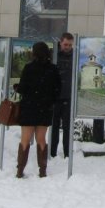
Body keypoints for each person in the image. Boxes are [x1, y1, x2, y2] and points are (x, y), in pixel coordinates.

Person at [14, 42, 61, 178]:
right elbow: (57, 89)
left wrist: (17, 87)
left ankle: (20, 169)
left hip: (29, 108)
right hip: (44, 109)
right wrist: (49, 101)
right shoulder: (53, 69)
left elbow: (22, 88)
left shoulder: (29, 68)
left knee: (25, 139)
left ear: (34, 53)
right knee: (41, 139)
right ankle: (42, 170)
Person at [50, 33, 74, 158]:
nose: (67, 47)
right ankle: (52, 152)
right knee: (54, 126)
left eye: (70, 45)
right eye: (65, 44)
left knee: (67, 127)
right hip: (55, 97)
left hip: (69, 97)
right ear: (60, 43)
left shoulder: (75, 57)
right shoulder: (54, 56)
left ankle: (67, 153)